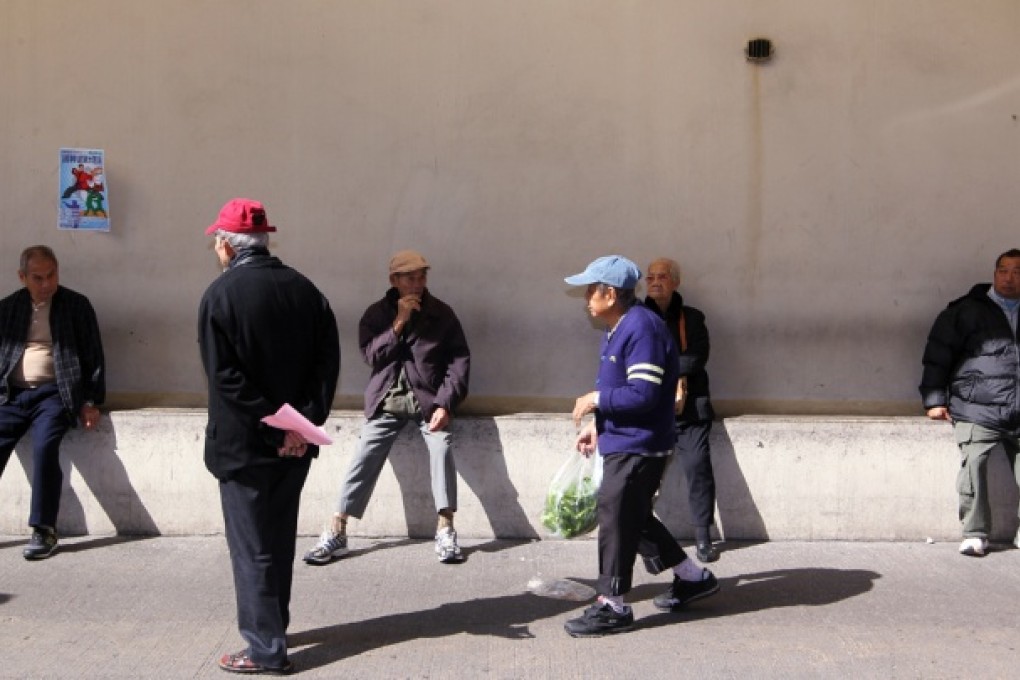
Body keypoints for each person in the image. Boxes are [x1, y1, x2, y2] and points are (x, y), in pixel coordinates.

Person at [199, 198, 340, 674]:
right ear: (263, 239)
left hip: (244, 446)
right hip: (293, 445)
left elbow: (227, 379)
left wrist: (274, 423)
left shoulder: (220, 296)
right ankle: (272, 627)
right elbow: (326, 366)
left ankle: (265, 649)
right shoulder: (306, 291)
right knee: (277, 541)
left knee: (252, 548)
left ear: (225, 245)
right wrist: (301, 424)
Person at [562, 255, 719, 637]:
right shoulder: (619, 327)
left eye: (590, 289)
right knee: (631, 514)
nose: (585, 297)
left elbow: (644, 393)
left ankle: (612, 604)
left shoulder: (641, 329)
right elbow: (626, 391)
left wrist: (596, 400)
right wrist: (600, 429)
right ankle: (691, 576)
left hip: (641, 444)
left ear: (610, 293)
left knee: (615, 514)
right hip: (624, 438)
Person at [303, 249, 471, 565]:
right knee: (365, 451)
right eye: (410, 278)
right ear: (394, 280)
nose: (418, 284)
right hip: (386, 401)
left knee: (442, 446)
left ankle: (446, 527)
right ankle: (337, 528)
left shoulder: (442, 314)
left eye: (422, 277)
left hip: (428, 402)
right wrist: (399, 322)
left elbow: (459, 361)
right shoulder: (376, 315)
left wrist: (445, 403)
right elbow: (371, 356)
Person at [0, 245, 105, 561]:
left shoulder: (76, 306)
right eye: (37, 278)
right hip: (11, 395)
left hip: (55, 394)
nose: (46, 283)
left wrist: (90, 401)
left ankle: (44, 528)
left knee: (46, 447)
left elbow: (93, 357)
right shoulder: (7, 309)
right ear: (22, 277)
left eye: (51, 275)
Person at [920, 248, 1020, 557]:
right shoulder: (966, 310)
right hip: (978, 406)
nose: (1009, 278)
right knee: (974, 463)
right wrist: (934, 399)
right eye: (1003, 271)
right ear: (994, 274)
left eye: (1017, 272)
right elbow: (939, 354)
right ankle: (976, 533)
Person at [644, 257, 720, 562]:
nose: (655, 282)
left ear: (675, 281)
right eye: (650, 277)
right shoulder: (637, 317)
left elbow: (697, 359)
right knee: (642, 477)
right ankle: (643, 538)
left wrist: (657, 371)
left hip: (691, 410)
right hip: (650, 410)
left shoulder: (692, 318)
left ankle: (703, 537)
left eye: (661, 276)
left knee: (698, 468)